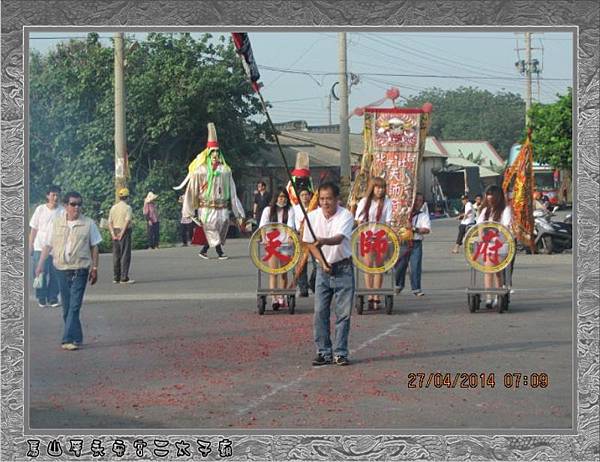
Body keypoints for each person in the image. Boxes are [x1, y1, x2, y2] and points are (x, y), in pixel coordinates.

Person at [35, 191, 102, 351]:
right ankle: (77, 337)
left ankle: (67, 339)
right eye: (73, 204)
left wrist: (95, 268)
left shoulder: (88, 223)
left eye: (79, 204)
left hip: (80, 269)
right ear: (66, 206)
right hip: (61, 269)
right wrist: (40, 264)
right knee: (67, 306)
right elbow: (48, 245)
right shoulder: (56, 223)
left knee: (75, 305)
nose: (76, 207)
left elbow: (95, 246)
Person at [302, 182, 355, 367]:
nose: (325, 203)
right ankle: (323, 351)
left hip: (343, 269)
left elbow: (339, 238)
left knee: (343, 314)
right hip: (323, 271)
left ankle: (340, 352)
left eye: (329, 199)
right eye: (322, 199)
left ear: (336, 199)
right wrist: (322, 262)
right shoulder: (312, 217)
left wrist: (323, 241)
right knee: (320, 312)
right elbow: (309, 244)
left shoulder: (345, 215)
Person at [176, 123, 245, 260]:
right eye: (212, 154)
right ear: (208, 155)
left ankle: (205, 250)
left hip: (222, 206)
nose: (215, 157)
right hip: (206, 207)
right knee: (210, 227)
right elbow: (192, 190)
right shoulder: (200, 171)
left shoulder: (225, 171)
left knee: (223, 224)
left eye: (217, 154)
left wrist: (238, 212)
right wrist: (189, 209)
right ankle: (219, 251)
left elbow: (232, 191)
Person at [354, 177, 393, 309]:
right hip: (367, 235)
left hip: (381, 236)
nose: (380, 190)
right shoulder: (365, 201)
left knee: (379, 267)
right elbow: (359, 220)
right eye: (377, 187)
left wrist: (386, 236)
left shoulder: (387, 202)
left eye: (382, 187)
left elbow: (388, 221)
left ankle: (377, 295)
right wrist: (364, 231)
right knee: (368, 265)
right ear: (372, 188)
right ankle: (370, 294)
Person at [476, 184, 514, 309]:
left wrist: (497, 237)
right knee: (488, 269)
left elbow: (506, 227)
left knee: (497, 271)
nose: (489, 197)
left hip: (500, 245)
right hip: (487, 245)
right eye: (487, 194)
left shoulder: (505, 210)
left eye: (491, 194)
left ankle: (498, 296)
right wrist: (481, 236)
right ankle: (489, 297)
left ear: (497, 196)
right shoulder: (484, 211)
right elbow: (480, 226)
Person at [260, 187, 295, 309]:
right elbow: (263, 227)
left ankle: (282, 296)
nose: (282, 199)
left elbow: (291, 225)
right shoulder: (268, 210)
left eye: (284, 197)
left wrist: (290, 237)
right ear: (275, 198)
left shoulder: (290, 210)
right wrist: (264, 239)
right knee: (273, 272)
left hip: (285, 244)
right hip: (272, 245)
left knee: (283, 273)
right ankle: (274, 297)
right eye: (280, 197)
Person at [29, 185, 64, 308]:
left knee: (56, 274)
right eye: (53, 194)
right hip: (39, 246)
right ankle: (41, 297)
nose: (55, 197)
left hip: (56, 248)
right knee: (39, 274)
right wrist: (31, 244)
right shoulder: (40, 209)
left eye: (57, 195)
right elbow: (34, 228)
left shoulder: (62, 211)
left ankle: (53, 297)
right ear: (47, 196)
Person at [394, 193, 431, 297]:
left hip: (416, 243)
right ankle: (398, 286)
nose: (417, 203)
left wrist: (414, 229)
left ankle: (416, 288)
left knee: (415, 266)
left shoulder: (422, 216)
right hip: (403, 242)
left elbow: (426, 229)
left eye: (420, 201)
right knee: (400, 265)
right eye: (416, 200)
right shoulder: (404, 214)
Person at [108, 187, 134, 284]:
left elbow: (109, 222)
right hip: (124, 231)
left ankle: (116, 277)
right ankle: (124, 277)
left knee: (116, 255)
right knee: (125, 254)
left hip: (114, 230)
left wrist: (113, 234)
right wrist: (122, 234)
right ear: (127, 197)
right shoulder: (128, 208)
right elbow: (127, 222)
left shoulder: (113, 208)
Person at [293, 187, 316, 298]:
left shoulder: (315, 208)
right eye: (302, 195)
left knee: (317, 264)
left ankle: (313, 283)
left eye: (306, 194)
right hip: (300, 237)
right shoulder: (295, 209)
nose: (304, 197)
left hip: (313, 238)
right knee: (301, 264)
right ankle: (303, 288)